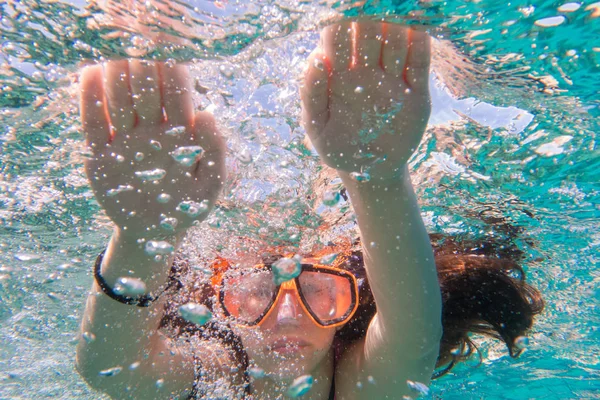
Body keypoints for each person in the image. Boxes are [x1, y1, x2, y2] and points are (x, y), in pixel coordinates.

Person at [75, 21, 543, 399]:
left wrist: (141, 237)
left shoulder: (213, 376)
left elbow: (112, 370)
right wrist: (375, 178)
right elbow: (412, 339)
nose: (285, 317)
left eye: (318, 292)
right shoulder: (364, 390)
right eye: (257, 293)